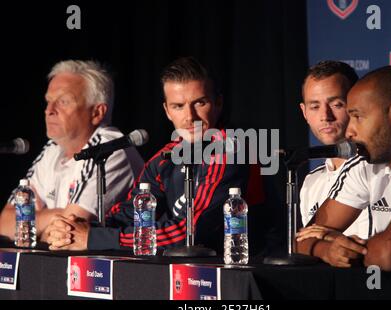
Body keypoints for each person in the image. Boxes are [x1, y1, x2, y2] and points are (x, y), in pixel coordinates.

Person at [45, 57, 277, 255]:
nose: (190, 117)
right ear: (167, 111)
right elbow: (129, 213)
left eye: (200, 103)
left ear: (218, 103)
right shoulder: (165, 157)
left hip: (238, 273)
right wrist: (76, 229)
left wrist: (95, 239)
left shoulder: (230, 149)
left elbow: (191, 231)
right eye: (178, 106)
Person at [296, 65, 391, 299]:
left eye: (358, 116)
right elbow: (302, 240)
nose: (350, 130)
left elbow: (390, 254)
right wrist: (328, 249)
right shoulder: (369, 160)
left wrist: (340, 242)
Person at [0, 60, 144, 242]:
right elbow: (5, 223)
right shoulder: (53, 148)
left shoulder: (110, 148)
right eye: (48, 101)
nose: (49, 110)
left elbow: (68, 232)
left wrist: (31, 224)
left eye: (63, 101)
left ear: (97, 113)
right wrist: (55, 217)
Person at [297, 61, 370, 239]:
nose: (325, 116)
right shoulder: (311, 183)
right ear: (304, 112)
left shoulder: (383, 169)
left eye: (337, 104)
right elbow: (306, 243)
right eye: (314, 107)